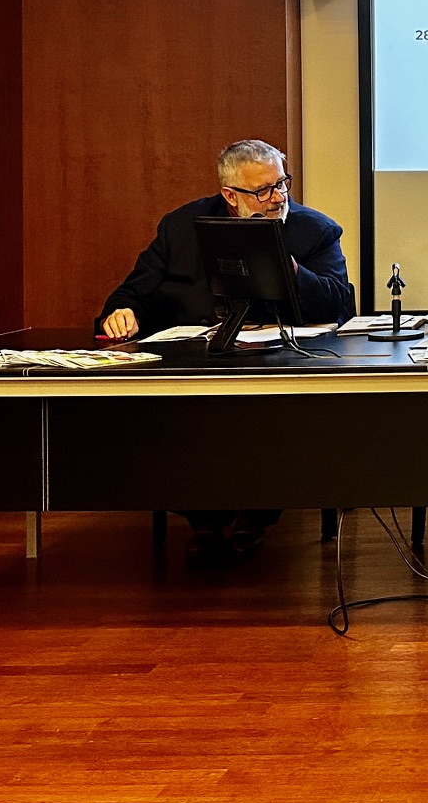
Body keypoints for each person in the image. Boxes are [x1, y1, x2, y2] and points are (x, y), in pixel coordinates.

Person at [96, 138, 354, 559]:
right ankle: (205, 520)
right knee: (183, 416)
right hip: (195, 360)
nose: (278, 198)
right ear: (230, 195)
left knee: (266, 413)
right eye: (263, 191)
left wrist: (289, 266)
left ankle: (255, 515)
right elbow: (134, 291)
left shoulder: (316, 230)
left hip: (277, 360)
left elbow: (338, 303)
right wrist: (122, 311)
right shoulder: (181, 226)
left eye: (282, 184)